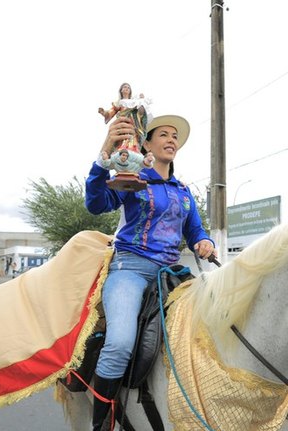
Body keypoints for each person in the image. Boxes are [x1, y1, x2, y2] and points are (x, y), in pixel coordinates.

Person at [84, 114, 215, 430]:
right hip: (130, 269)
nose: (172, 140)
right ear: (146, 144)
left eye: (175, 136)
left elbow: (195, 230)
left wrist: (205, 241)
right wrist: (104, 158)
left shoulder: (183, 191)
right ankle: (101, 425)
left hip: (173, 277)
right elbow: (96, 203)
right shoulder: (132, 178)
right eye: (164, 135)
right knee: (119, 343)